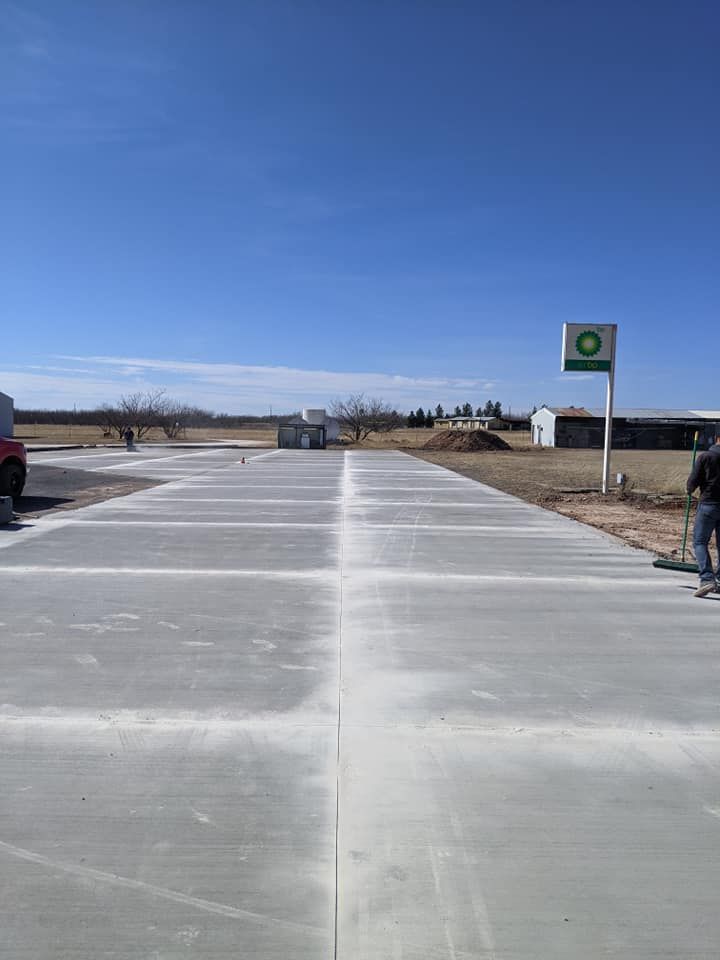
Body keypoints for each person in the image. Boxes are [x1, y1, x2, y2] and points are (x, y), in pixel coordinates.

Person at [687, 434, 720, 598]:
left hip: (709, 504)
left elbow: (693, 480)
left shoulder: (705, 457)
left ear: (716, 438)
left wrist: (689, 489)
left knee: (700, 541)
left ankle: (707, 579)